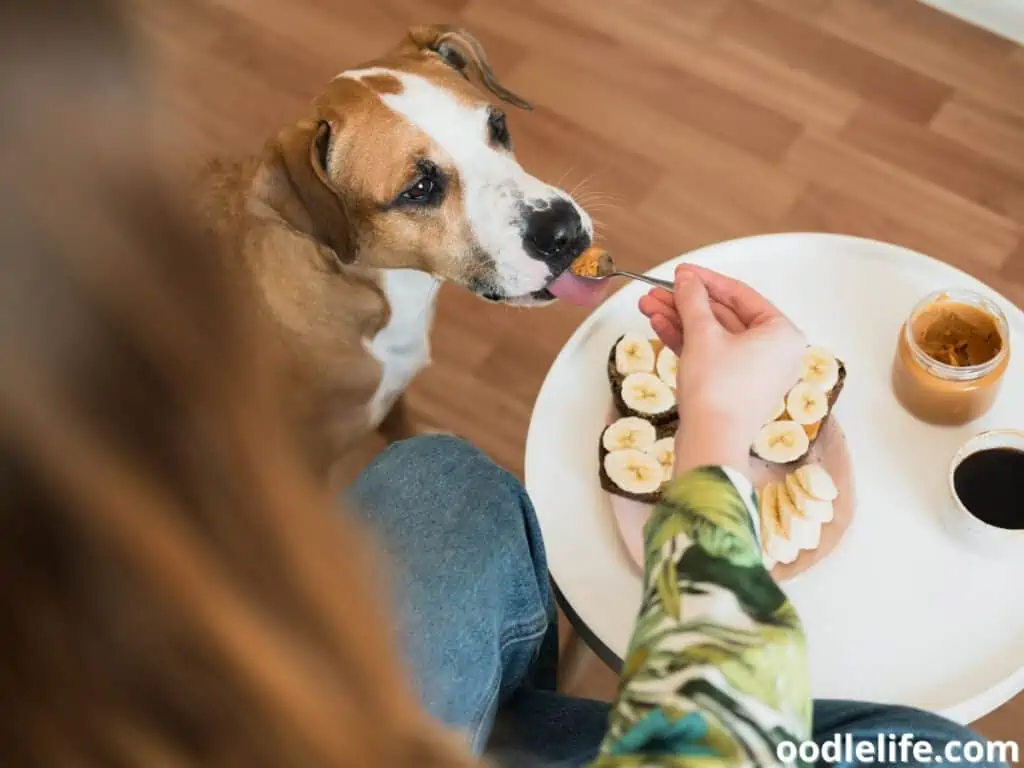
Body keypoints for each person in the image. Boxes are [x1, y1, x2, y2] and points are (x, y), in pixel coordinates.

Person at [0, 1, 1008, 767]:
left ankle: (514, 703)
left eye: (492, 135)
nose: (543, 213)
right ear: (318, 213)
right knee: (918, 741)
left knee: (440, 478)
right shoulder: (278, 325)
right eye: (424, 189)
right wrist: (715, 437)